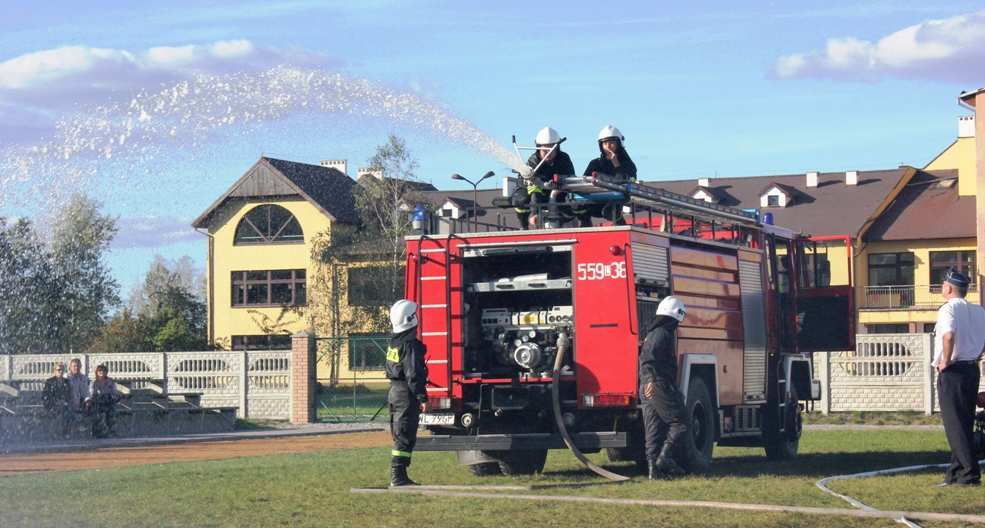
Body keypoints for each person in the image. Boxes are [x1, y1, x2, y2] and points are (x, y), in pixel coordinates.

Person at [933, 268, 985, 487]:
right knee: (963, 422)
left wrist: (945, 360)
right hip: (972, 369)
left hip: (953, 371)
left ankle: (969, 473)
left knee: (954, 425)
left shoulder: (947, 309)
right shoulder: (979, 311)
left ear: (948, 287)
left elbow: (948, 335)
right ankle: (955, 474)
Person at [638, 295, 688, 479]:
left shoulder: (653, 332)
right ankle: (664, 459)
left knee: (653, 429)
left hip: (647, 385)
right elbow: (647, 358)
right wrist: (651, 380)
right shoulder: (662, 334)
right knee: (680, 421)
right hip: (657, 384)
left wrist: (647, 382)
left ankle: (653, 471)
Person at [385, 299, 429, 487]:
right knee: (405, 432)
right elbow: (413, 373)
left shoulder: (394, 343)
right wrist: (422, 396)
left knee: (399, 432)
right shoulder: (410, 345)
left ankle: (399, 474)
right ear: (411, 319)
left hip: (395, 391)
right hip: (406, 393)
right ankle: (398, 475)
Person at [512, 126, 575, 229]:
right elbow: (534, 190)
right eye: (544, 150)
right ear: (538, 148)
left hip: (558, 190)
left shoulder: (564, 159)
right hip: (532, 191)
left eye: (551, 149)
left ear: (557, 148)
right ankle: (524, 225)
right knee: (520, 200)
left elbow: (571, 177)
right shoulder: (533, 162)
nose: (548, 154)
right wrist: (533, 212)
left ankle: (570, 224)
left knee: (572, 205)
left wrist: (561, 185)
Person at [578, 125, 638, 227]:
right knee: (578, 207)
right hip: (595, 200)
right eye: (605, 143)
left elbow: (626, 183)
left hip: (616, 202)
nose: (608, 146)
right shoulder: (595, 163)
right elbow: (584, 183)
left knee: (613, 210)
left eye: (611, 142)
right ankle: (586, 229)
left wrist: (616, 164)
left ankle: (620, 225)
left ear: (618, 144)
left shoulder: (628, 164)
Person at [86, 364, 122, 438]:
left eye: (103, 371)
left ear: (106, 372)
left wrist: (114, 397)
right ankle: (97, 432)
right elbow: (90, 393)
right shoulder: (94, 382)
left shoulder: (110, 381)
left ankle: (111, 431)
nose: (101, 372)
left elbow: (114, 392)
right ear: (97, 372)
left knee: (111, 412)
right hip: (97, 402)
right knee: (97, 414)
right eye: (99, 371)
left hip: (108, 401)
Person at [41, 363, 71, 437]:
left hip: (63, 404)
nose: (60, 371)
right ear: (54, 371)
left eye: (62, 370)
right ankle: (54, 433)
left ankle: (64, 433)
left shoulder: (66, 381)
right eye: (58, 370)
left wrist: (65, 401)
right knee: (57, 412)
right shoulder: (50, 381)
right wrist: (55, 402)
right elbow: (45, 395)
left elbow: (69, 394)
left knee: (67, 412)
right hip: (52, 404)